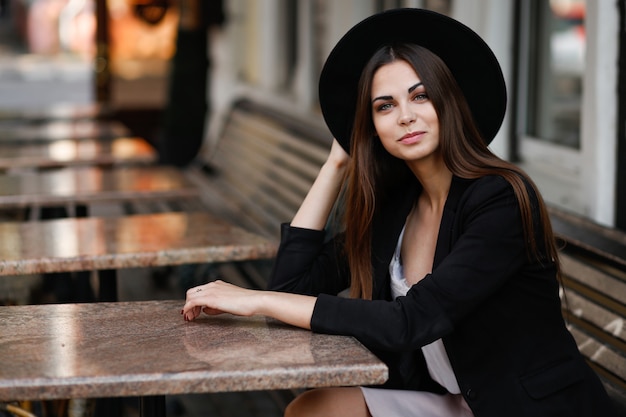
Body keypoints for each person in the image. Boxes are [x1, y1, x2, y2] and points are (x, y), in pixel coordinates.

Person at [182, 8, 616, 417]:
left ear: (450, 103)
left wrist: (253, 299)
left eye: (421, 96)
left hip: (522, 406)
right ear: (371, 126)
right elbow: (291, 287)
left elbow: (412, 321)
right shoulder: (398, 207)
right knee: (313, 409)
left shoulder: (499, 199)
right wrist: (336, 162)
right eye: (384, 106)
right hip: (455, 399)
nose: (405, 117)